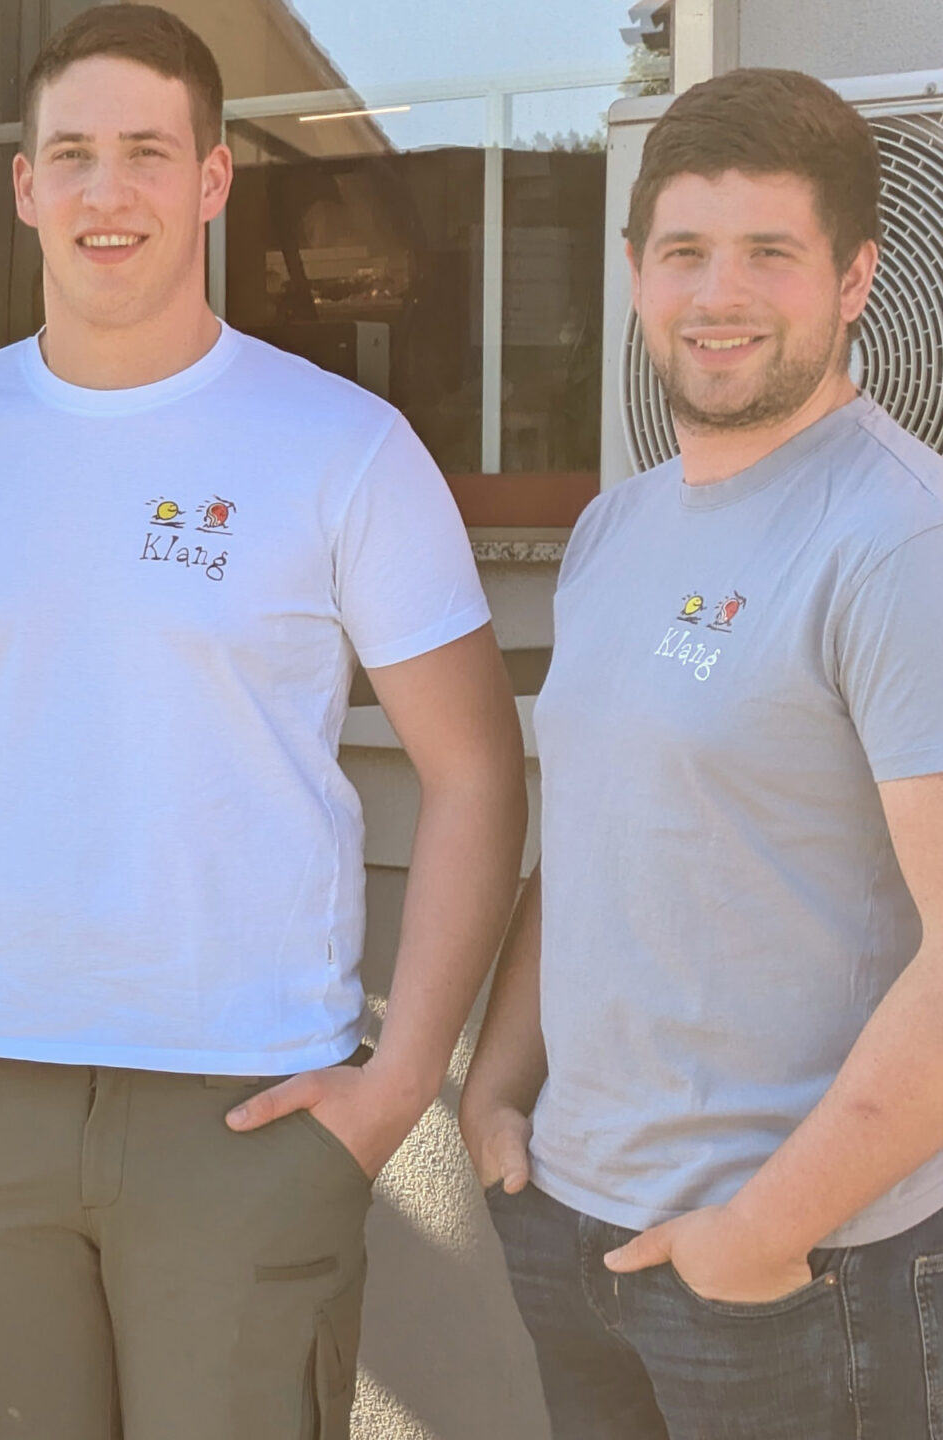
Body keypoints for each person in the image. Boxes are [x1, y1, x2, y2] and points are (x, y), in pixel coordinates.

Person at [0, 8, 530, 1438]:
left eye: (146, 152)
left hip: (242, 1102)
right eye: (71, 154)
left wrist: (395, 1093)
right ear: (25, 187)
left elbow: (477, 773)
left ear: (211, 179)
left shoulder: (340, 446)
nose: (105, 191)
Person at [459, 68, 943, 1439]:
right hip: (574, 1226)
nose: (717, 293)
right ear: (633, 272)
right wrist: (498, 1093)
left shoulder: (901, 542)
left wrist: (761, 1235)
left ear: (856, 279)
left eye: (770, 252)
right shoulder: (617, 531)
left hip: (799, 1270)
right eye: (684, 251)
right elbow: (603, 837)